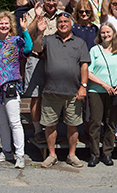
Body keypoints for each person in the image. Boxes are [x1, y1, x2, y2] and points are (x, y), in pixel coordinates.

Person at [33, 12, 90, 169]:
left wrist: (83, 86)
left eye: (66, 21)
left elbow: (84, 65)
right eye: (60, 22)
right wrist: (39, 32)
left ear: (71, 24)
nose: (63, 24)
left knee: (73, 125)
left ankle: (72, 155)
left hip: (73, 92)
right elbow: (36, 48)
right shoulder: (48, 40)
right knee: (50, 125)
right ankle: (52, 155)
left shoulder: (79, 43)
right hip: (51, 91)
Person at [0, 12, 32, 169]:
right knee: (1, 122)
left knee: (14, 121)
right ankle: (6, 151)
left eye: (6, 23)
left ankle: (20, 155)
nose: (4, 26)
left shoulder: (16, 41)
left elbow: (28, 49)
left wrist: (25, 30)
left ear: (10, 25)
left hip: (11, 85)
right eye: (1, 24)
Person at [22, 0, 61, 144]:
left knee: (55, 95)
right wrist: (37, 18)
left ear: (58, 1)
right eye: (48, 0)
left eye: (54, 0)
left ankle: (53, 129)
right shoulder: (34, 12)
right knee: (36, 96)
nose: (51, 3)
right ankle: (38, 130)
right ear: (43, 1)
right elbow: (26, 32)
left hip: (55, 61)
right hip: (36, 58)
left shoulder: (63, 16)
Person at [87, 23, 117, 167]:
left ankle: (107, 153)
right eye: (103, 33)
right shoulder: (94, 50)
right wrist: (103, 84)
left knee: (111, 123)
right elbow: (88, 72)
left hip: (114, 92)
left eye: (108, 32)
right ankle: (94, 154)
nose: (105, 35)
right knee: (95, 123)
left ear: (113, 33)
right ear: (99, 35)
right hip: (96, 91)